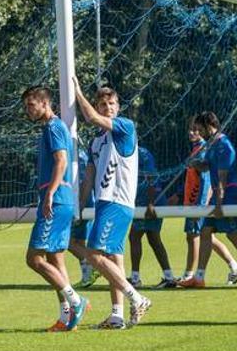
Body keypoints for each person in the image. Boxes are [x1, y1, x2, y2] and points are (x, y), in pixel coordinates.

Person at [73, 77, 151, 330]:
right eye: (103, 103)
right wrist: (79, 207)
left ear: (118, 106)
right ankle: (117, 315)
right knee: (114, 259)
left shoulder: (124, 127)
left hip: (117, 201)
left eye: (112, 103)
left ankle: (137, 298)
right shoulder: (96, 141)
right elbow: (89, 177)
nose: (108, 107)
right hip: (104, 204)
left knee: (94, 256)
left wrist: (77, 92)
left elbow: (92, 118)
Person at [22, 86, 88, 332]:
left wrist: (49, 193)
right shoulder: (51, 127)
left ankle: (76, 300)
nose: (27, 110)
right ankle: (66, 317)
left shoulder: (53, 127)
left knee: (34, 258)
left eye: (30, 105)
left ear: (44, 103)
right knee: (55, 258)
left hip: (56, 200)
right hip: (60, 200)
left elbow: (61, 160)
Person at [179, 111, 237, 289]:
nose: (199, 133)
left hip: (227, 196)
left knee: (233, 234)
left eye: (201, 129)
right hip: (218, 195)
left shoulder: (224, 145)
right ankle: (199, 277)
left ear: (210, 126)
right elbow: (207, 167)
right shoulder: (212, 144)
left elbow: (223, 176)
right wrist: (195, 164)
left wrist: (218, 203)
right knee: (206, 232)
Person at [171, 118, 237, 286]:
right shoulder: (199, 148)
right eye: (190, 129)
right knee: (205, 234)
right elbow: (198, 173)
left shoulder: (207, 147)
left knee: (195, 236)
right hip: (193, 201)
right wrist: (179, 194)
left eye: (196, 129)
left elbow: (205, 179)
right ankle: (234, 267)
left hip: (201, 201)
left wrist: (201, 204)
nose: (192, 132)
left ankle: (189, 274)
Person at [128, 146, 176, 289]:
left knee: (134, 236)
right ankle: (169, 277)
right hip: (145, 200)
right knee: (154, 239)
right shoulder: (129, 151)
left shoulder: (142, 154)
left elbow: (151, 178)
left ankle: (135, 279)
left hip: (149, 201)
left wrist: (150, 203)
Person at [70, 150, 99, 288]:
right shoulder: (80, 153)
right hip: (84, 201)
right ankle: (87, 276)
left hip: (80, 203)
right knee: (79, 242)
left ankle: (96, 264)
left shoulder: (76, 155)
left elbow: (83, 180)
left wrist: (81, 202)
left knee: (68, 242)